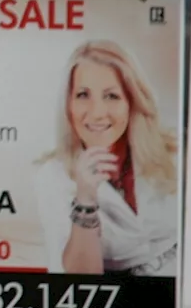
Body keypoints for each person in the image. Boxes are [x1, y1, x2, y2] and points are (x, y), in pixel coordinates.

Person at [34, 39, 179, 276]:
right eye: (83, 95)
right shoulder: (52, 177)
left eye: (111, 96)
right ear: (68, 105)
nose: (98, 112)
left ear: (132, 101)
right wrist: (85, 198)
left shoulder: (173, 154)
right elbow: (80, 279)